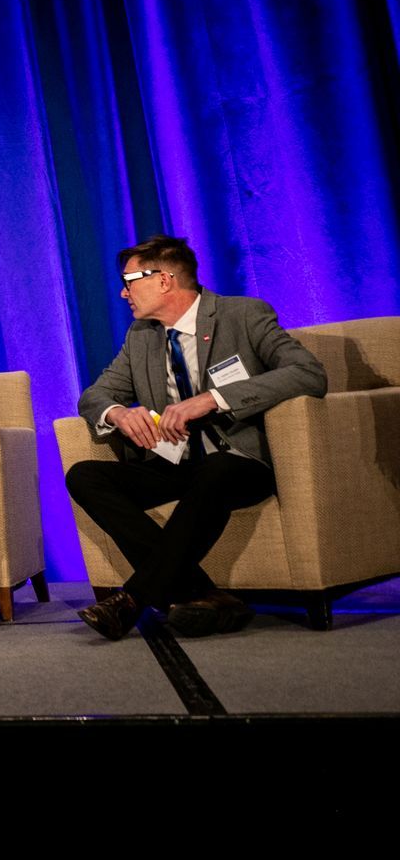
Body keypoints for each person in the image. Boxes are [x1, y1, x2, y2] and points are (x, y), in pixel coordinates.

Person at [70, 235, 326, 640]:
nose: (123, 292)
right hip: (177, 463)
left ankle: (133, 598)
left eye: (130, 281)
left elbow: (308, 373)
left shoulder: (242, 315)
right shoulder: (141, 336)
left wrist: (212, 399)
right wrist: (116, 412)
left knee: (219, 470)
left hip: (239, 462)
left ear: (165, 280)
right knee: (85, 475)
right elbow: (95, 394)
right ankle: (207, 595)